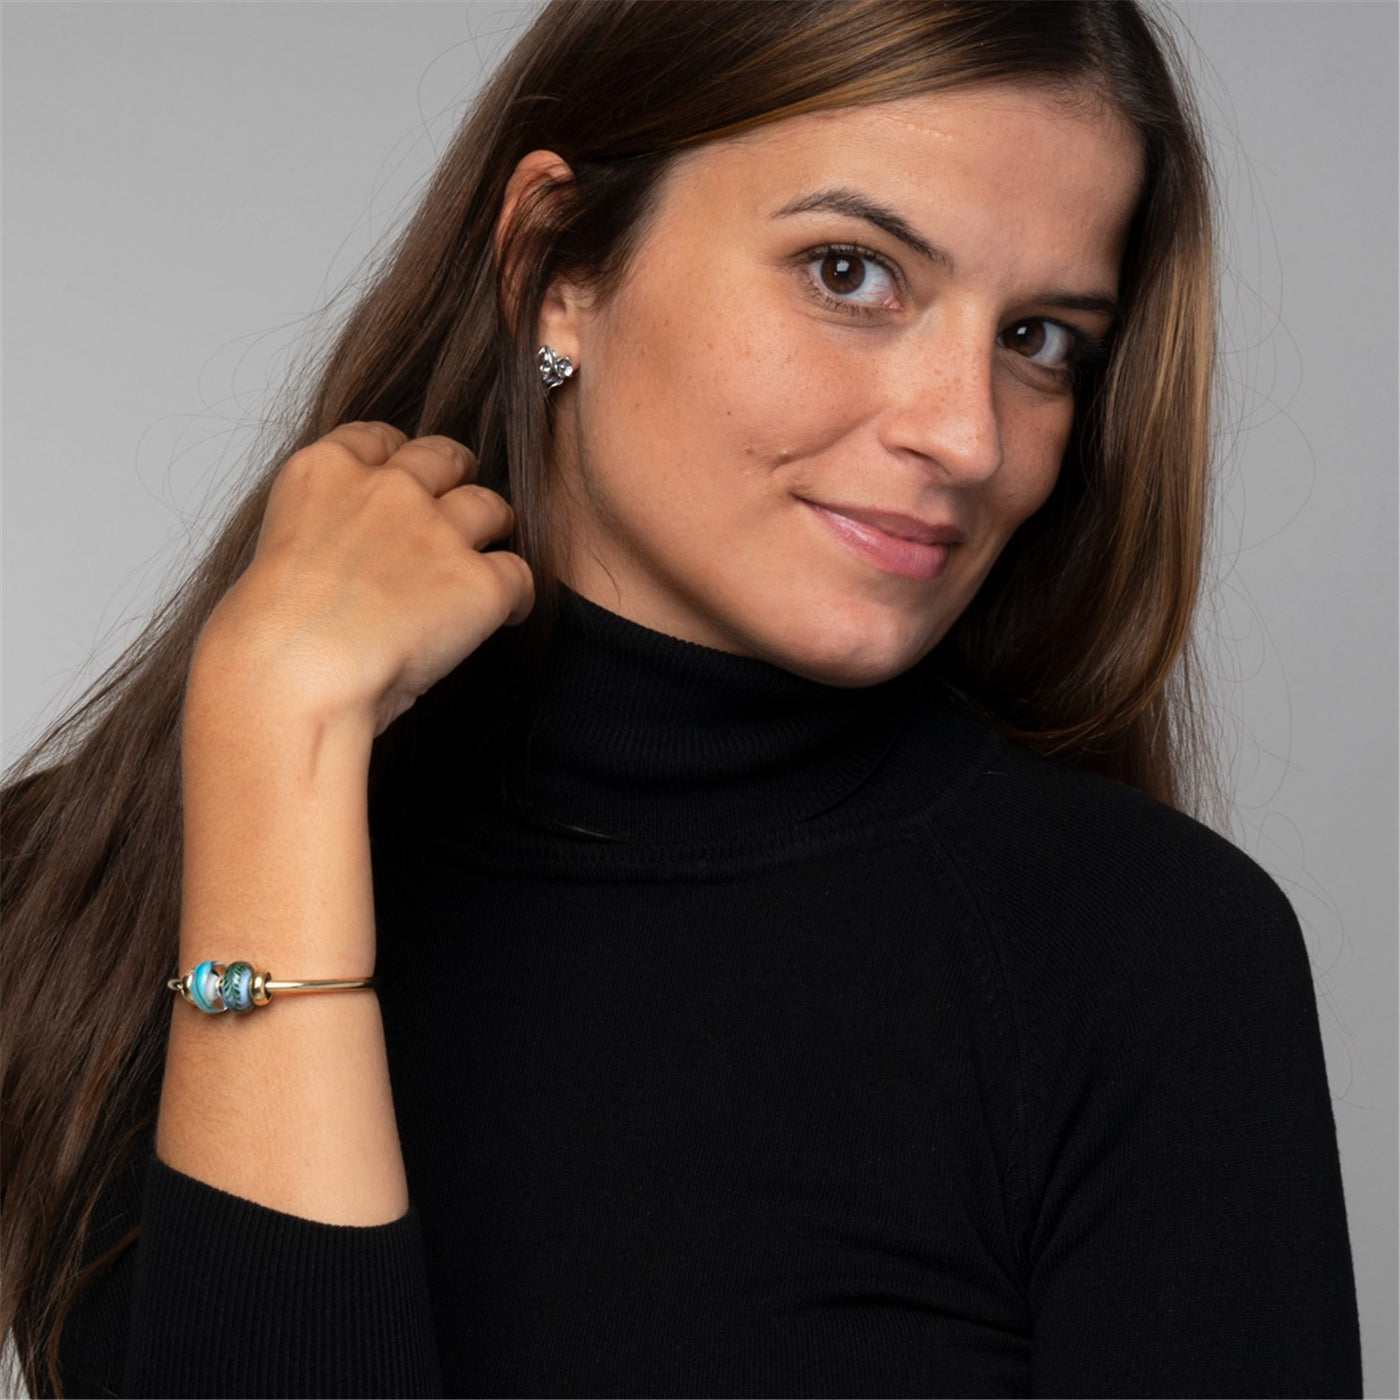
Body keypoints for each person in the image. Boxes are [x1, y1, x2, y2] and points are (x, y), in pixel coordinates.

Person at [0, 1, 1364, 1396]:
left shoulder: (1146, 962)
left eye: (1041, 339)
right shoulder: (69, 892)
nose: (967, 434)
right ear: (555, 267)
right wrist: (277, 758)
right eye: (851, 272)